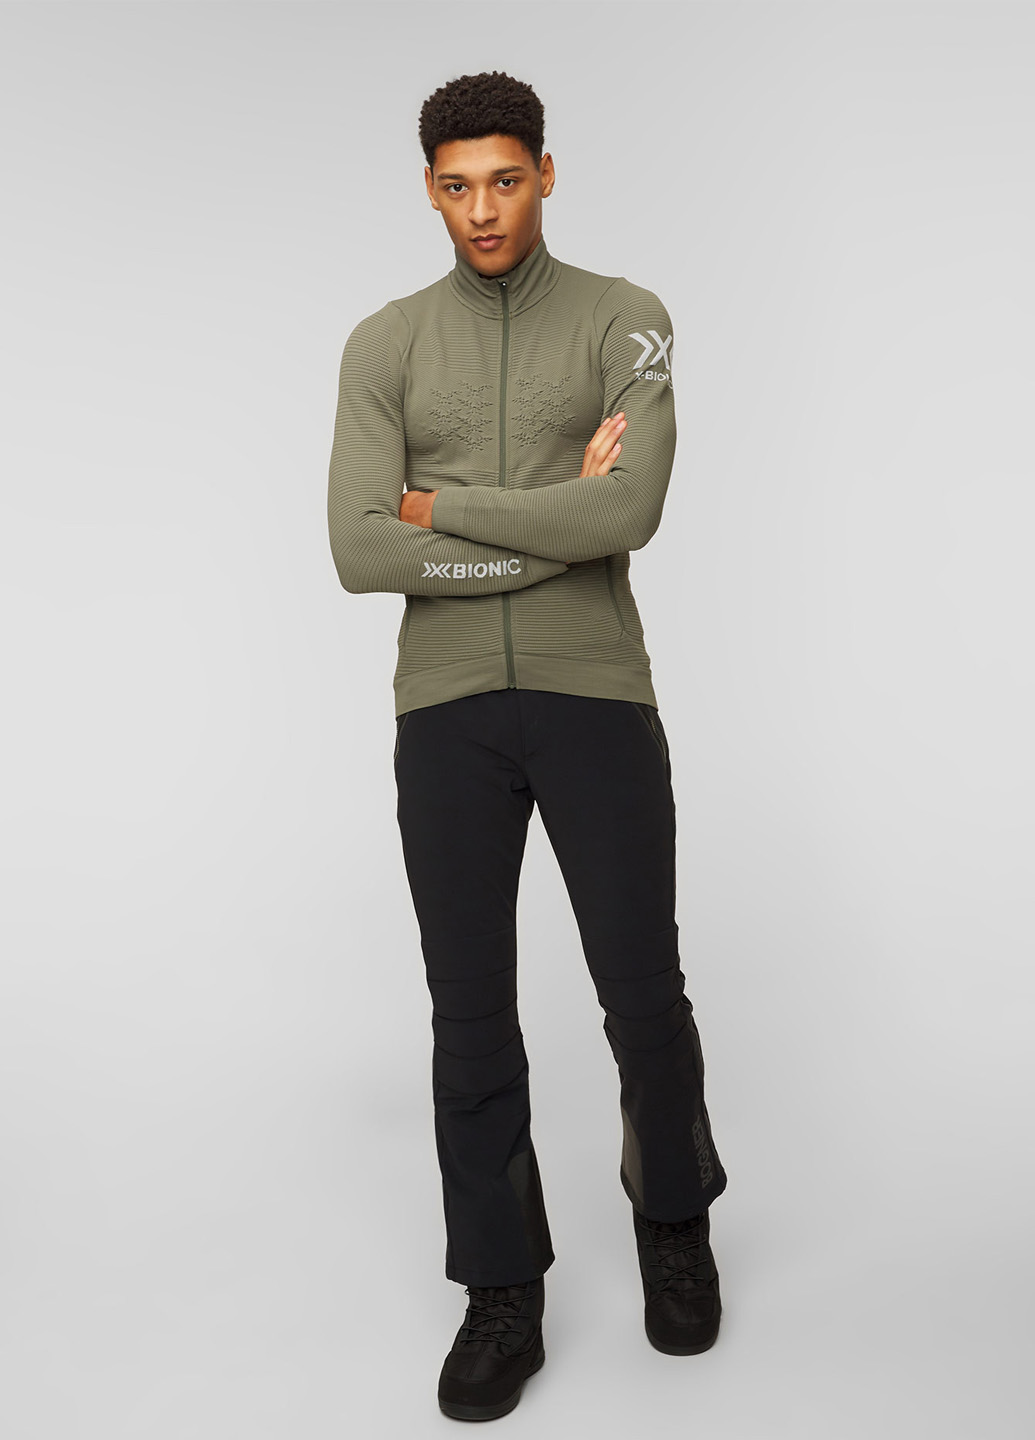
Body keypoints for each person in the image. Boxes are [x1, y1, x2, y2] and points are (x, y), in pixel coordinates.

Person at [327, 69, 728, 1423]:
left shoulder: (625, 320)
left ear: (546, 174)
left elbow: (628, 513)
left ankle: (673, 1221)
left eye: (506, 180)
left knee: (642, 993)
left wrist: (436, 507)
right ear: (429, 190)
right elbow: (356, 548)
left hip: (594, 695)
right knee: (470, 1014)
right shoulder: (385, 343)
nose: (484, 210)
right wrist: (546, 519)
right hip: (444, 715)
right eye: (457, 187)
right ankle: (502, 1290)